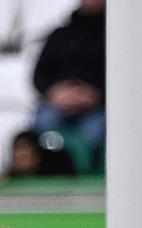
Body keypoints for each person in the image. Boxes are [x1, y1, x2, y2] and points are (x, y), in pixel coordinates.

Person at [31, 0, 105, 170]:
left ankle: (88, 174)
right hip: (58, 104)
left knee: (94, 132)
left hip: (97, 107)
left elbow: (120, 76)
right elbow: (39, 75)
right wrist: (55, 92)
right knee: (43, 123)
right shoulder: (60, 35)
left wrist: (95, 94)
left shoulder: (114, 39)